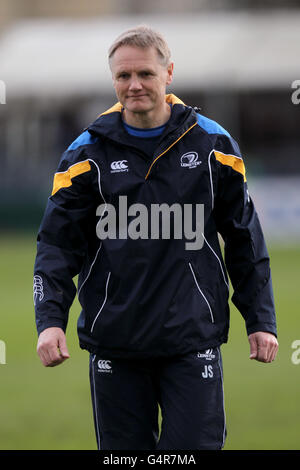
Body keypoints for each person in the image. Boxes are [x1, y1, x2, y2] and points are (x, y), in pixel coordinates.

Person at [33, 25, 278, 450]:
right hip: (115, 341)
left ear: (168, 74)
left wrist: (261, 319)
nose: (134, 85)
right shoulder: (85, 153)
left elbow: (244, 238)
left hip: (190, 340)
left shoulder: (213, 144)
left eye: (145, 74)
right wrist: (49, 320)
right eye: (123, 76)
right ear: (113, 80)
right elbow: (57, 245)